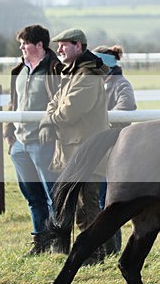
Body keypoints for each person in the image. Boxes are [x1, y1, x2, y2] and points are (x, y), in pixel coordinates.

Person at [38, 28, 110, 265]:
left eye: (64, 45)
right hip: (72, 150)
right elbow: (54, 104)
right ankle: (82, 252)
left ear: (79, 46)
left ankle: (93, 255)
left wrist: (49, 120)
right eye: (58, 45)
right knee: (73, 204)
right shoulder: (73, 72)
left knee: (86, 206)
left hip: (86, 151)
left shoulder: (86, 74)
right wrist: (51, 117)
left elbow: (70, 110)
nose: (59, 49)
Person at [4, 24, 64, 256]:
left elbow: (61, 104)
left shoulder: (56, 69)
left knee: (52, 195)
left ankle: (58, 243)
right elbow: (14, 103)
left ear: (40, 45)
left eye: (25, 43)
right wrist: (9, 133)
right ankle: (40, 243)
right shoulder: (18, 70)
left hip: (44, 142)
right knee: (32, 196)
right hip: (19, 143)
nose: (21, 48)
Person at [92, 44, 137, 256]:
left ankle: (111, 250)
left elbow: (126, 108)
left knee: (106, 203)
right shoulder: (99, 83)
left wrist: (101, 123)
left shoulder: (121, 84)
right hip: (100, 148)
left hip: (113, 150)